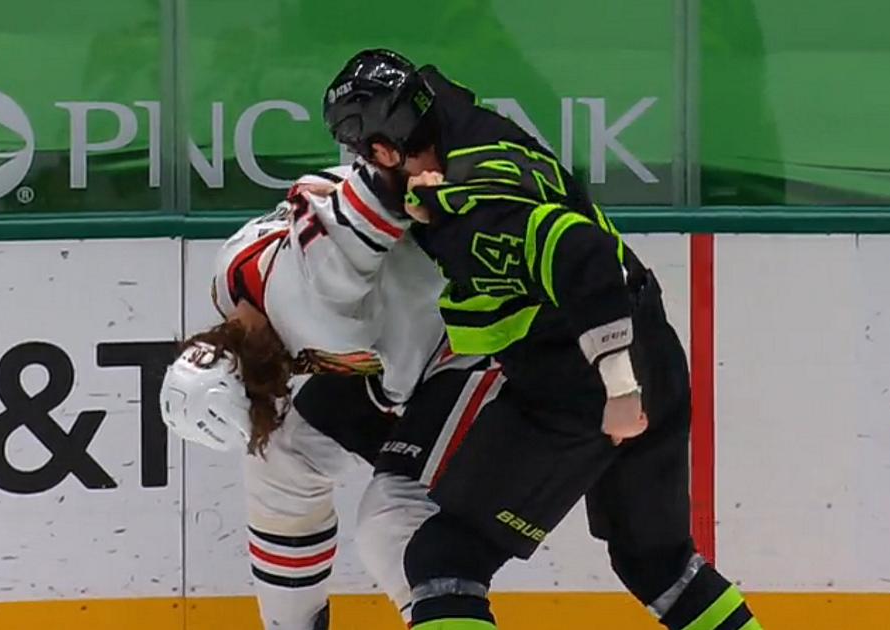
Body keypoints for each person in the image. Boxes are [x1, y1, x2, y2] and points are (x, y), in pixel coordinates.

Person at [323, 49, 762, 630]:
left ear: (384, 149)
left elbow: (583, 252)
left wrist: (617, 386)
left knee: (445, 557)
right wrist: (430, 203)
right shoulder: (464, 130)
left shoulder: (477, 202)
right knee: (658, 565)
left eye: (364, 153)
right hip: (652, 345)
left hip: (581, 384)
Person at [159, 162, 490, 629]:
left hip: (486, 344)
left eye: (261, 405)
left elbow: (371, 195)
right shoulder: (229, 282)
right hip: (429, 343)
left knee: (393, 522)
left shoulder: (321, 313)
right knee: (283, 454)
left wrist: (410, 193)